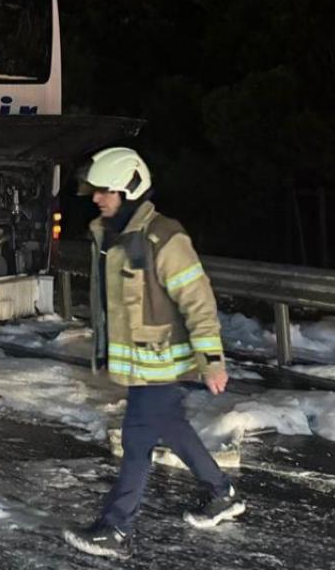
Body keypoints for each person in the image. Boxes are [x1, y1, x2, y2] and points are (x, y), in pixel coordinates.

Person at [64, 147, 244, 559]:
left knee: (137, 440)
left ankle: (115, 529)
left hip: (163, 363)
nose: (97, 198)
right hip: (142, 365)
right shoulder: (114, 237)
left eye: (105, 191)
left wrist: (212, 361)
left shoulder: (164, 237)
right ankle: (221, 493)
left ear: (129, 188)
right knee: (173, 428)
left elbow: (198, 301)